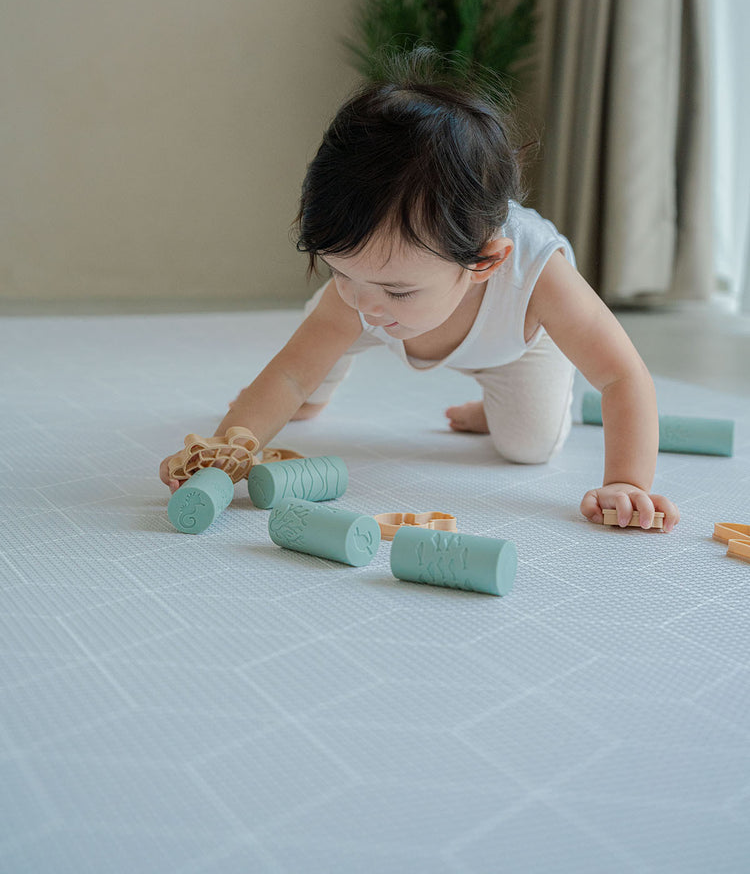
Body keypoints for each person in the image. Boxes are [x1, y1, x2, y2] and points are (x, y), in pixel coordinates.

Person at [160, 49, 679, 532]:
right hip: (377, 324)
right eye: (340, 270)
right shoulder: (362, 294)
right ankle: (330, 375)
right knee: (309, 365)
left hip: (512, 343)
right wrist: (221, 454)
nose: (364, 301)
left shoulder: (538, 277)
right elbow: (290, 372)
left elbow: (620, 375)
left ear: (484, 263)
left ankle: (494, 401)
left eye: (395, 289)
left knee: (528, 446)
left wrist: (627, 483)